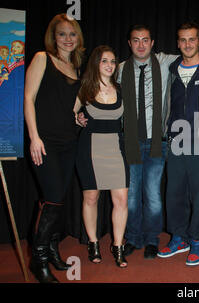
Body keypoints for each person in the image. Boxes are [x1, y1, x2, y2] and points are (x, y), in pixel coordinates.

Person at [108, 24, 199, 260]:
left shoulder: (176, 64)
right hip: (147, 140)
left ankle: (173, 240)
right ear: (130, 44)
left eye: (145, 40)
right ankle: (140, 238)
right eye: (136, 40)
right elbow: (99, 87)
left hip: (172, 141)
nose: (141, 44)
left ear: (152, 43)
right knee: (149, 195)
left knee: (159, 196)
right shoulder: (120, 70)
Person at [24, 13, 85, 283]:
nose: (68, 39)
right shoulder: (42, 58)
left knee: (58, 199)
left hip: (69, 141)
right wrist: (34, 137)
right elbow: (28, 98)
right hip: (45, 142)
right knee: (52, 199)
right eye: (62, 34)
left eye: (72, 34)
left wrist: (79, 117)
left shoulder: (76, 68)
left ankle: (51, 250)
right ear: (54, 36)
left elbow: (70, 107)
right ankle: (38, 261)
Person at [157, 22, 199, 266]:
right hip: (175, 139)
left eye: (192, 39)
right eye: (183, 40)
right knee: (174, 193)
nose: (187, 44)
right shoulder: (171, 69)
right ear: (178, 43)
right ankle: (179, 237)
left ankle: (197, 240)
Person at [73, 45, 129, 268]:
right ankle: (93, 242)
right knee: (91, 198)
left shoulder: (121, 89)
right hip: (89, 149)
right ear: (96, 63)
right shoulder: (84, 89)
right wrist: (76, 118)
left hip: (115, 149)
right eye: (105, 61)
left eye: (113, 61)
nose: (109, 65)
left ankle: (118, 246)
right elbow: (69, 112)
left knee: (121, 200)